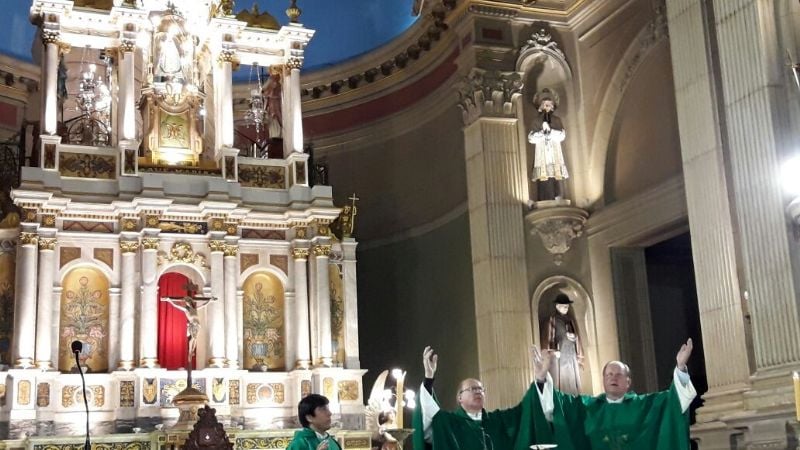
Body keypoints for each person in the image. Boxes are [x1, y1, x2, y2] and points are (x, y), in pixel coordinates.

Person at [530, 339, 698, 449]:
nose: (613, 378)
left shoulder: (646, 406)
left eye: (618, 375)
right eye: (609, 375)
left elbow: (675, 402)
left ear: (628, 382)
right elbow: (557, 406)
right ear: (603, 380)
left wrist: (681, 368)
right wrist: (541, 377)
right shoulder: (586, 408)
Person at [411, 346, 546, 450]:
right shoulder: (449, 423)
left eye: (481, 389)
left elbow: (526, 412)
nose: (478, 392)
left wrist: (540, 380)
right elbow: (427, 417)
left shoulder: (498, 421)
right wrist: (429, 378)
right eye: (472, 389)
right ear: (459, 398)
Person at [528, 89, 568, 201]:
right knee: (544, 177)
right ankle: (545, 197)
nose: (547, 106)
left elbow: (562, 135)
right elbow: (531, 138)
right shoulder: (536, 121)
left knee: (556, 174)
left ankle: (558, 195)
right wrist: (542, 133)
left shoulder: (556, 120)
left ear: (552, 106)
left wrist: (551, 132)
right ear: (540, 106)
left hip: (555, 152)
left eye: (549, 104)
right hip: (543, 154)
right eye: (545, 104)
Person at [543, 294, 584, 394]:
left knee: (573, 379)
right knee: (561, 379)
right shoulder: (553, 320)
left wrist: (574, 337)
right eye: (564, 306)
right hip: (560, 354)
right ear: (557, 306)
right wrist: (553, 351)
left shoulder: (570, 320)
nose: (566, 308)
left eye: (567, 306)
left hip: (571, 354)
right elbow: (549, 337)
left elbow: (576, 336)